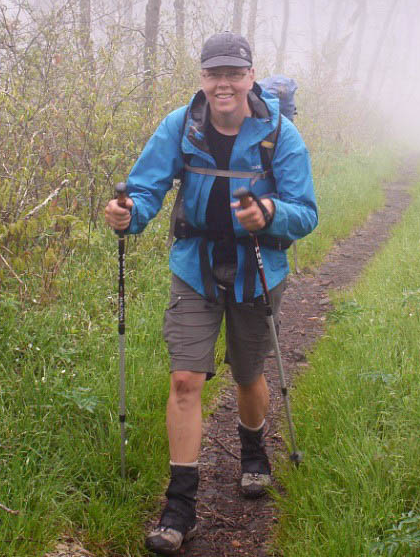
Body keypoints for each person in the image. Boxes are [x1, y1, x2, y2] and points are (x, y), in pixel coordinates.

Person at [104, 32, 318, 555]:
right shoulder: (180, 127)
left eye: (233, 73)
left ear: (250, 77)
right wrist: (128, 214)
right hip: (194, 269)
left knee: (248, 375)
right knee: (184, 380)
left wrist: (270, 214)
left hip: (258, 268)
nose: (223, 83)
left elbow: (306, 212)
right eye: (213, 73)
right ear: (202, 78)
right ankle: (180, 506)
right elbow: (147, 187)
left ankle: (252, 453)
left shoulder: (280, 136)